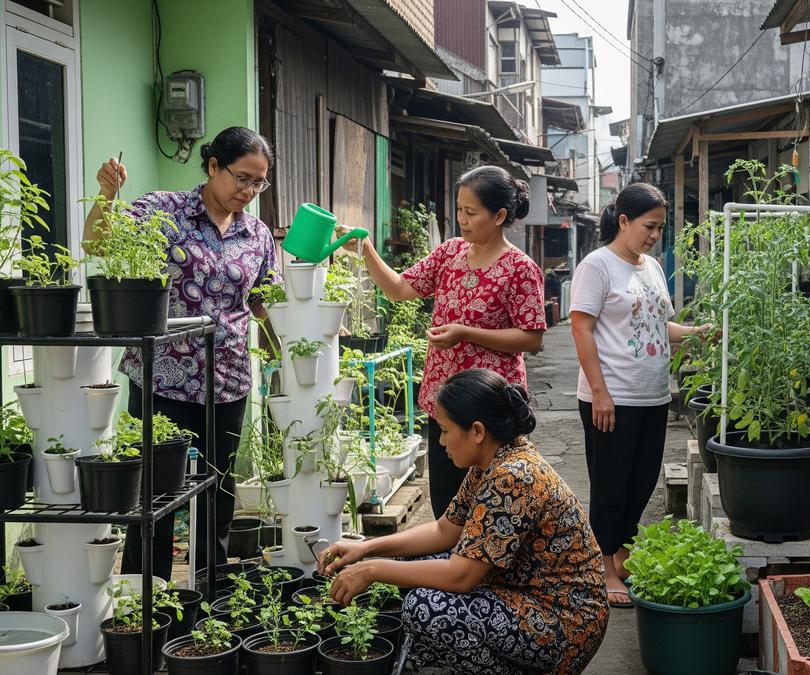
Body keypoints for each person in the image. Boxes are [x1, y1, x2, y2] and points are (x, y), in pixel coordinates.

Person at [318, 369, 607, 675]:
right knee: (411, 564)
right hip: (523, 594)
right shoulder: (493, 460)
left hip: (564, 623)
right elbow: (444, 530)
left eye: (444, 430)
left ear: (477, 431)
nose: (441, 441)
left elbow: (460, 576)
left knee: (426, 607)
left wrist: (372, 570)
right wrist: (366, 549)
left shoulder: (513, 476)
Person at [85, 127, 279, 579]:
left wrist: (298, 336)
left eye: (259, 182)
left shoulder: (258, 233)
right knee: (153, 490)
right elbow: (98, 244)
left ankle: (209, 589)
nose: (249, 191)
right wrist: (105, 195)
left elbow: (263, 299)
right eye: (241, 178)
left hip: (227, 378)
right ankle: (144, 591)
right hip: (162, 377)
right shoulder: (163, 210)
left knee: (218, 489)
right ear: (213, 166)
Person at [336, 166, 546, 518]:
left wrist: (466, 332)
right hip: (444, 402)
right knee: (448, 508)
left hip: (490, 409)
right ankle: (451, 569)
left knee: (493, 508)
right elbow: (399, 288)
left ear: (500, 216)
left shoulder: (520, 268)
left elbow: (532, 337)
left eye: (471, 212)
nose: (462, 220)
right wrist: (367, 249)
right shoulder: (450, 253)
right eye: (459, 209)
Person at [570, 183, 710, 608]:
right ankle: (605, 567)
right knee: (611, 484)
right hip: (612, 395)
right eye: (649, 226)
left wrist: (696, 334)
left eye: (660, 228)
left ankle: (621, 549)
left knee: (642, 481)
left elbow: (656, 325)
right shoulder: (597, 266)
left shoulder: (649, 266)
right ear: (624, 221)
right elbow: (581, 327)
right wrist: (599, 393)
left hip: (652, 395)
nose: (654, 235)